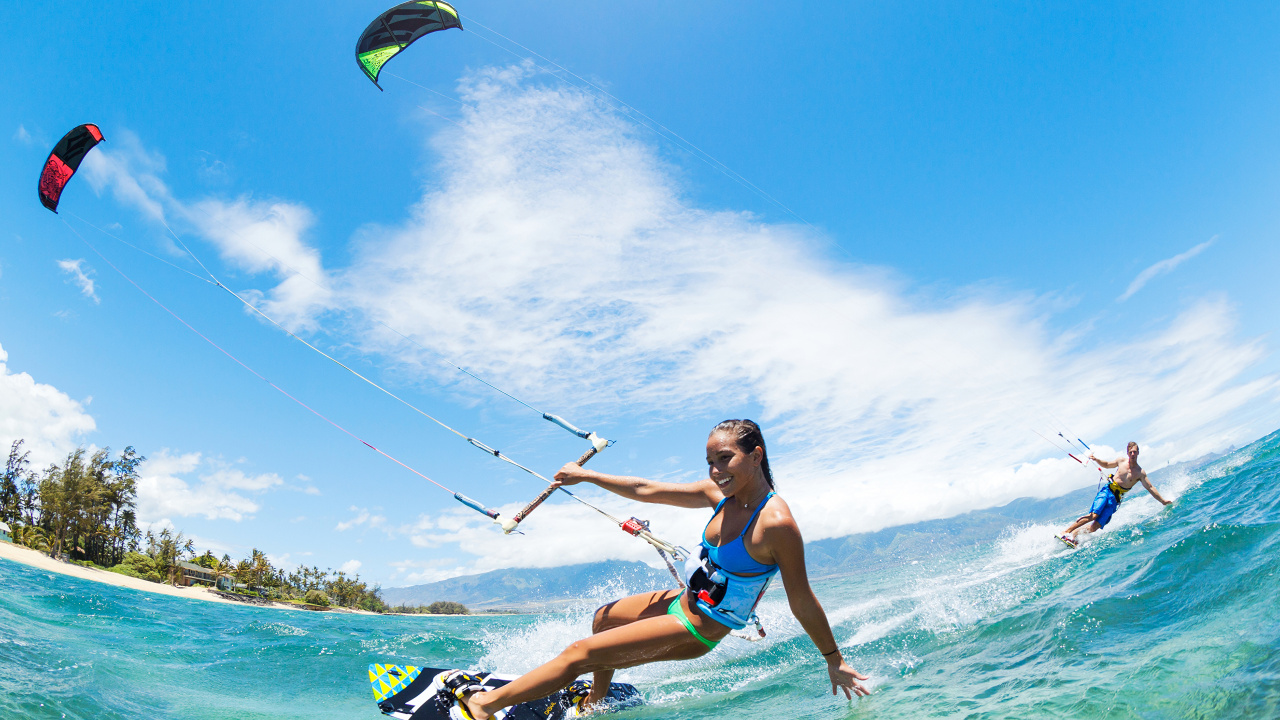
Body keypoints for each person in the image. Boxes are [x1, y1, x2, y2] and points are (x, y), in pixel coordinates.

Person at [446, 419, 869, 720]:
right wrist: (586, 475)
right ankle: (596, 702)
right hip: (682, 603)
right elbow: (645, 489)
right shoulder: (720, 495)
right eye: (710, 461)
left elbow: (802, 599)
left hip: (700, 628)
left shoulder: (775, 524)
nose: (716, 471)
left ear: (755, 456)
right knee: (603, 619)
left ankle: (485, 707)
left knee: (580, 653)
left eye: (725, 459)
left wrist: (833, 659)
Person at [1057, 441, 1172, 547]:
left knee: (1095, 527)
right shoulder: (1121, 461)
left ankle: (1074, 536)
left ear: (1138, 453)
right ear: (1127, 453)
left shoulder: (1140, 473)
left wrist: (1162, 501)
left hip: (1115, 500)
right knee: (1094, 515)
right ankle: (1066, 532)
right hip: (1107, 491)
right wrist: (1096, 459)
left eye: (1135, 452)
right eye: (1130, 452)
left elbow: (1150, 487)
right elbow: (1107, 464)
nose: (1132, 454)